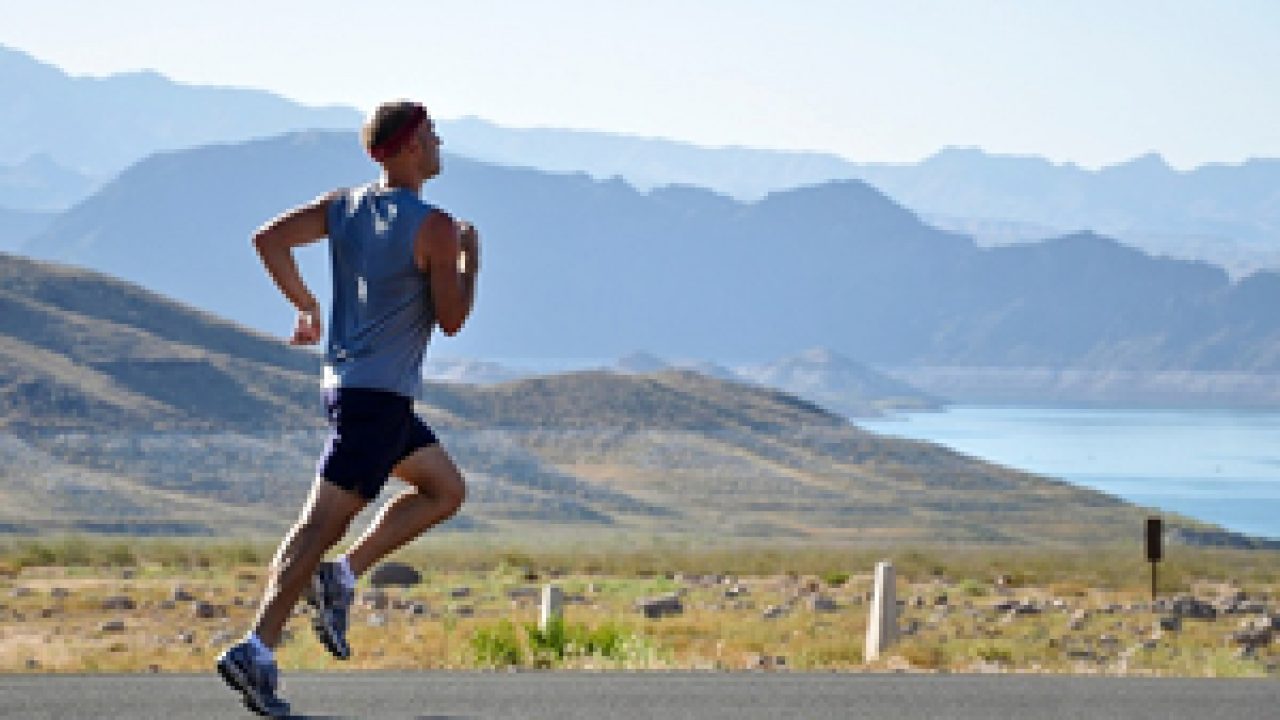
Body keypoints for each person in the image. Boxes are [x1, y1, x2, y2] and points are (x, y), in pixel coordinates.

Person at [216, 99, 477, 717]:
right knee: (315, 528)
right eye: (433, 136)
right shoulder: (436, 226)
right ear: (411, 145)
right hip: (378, 400)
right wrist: (472, 258)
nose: (440, 144)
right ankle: (257, 647)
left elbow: (269, 239)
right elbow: (454, 318)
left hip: (354, 390)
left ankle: (343, 575)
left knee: (445, 490)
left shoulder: (344, 206)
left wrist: (307, 306)